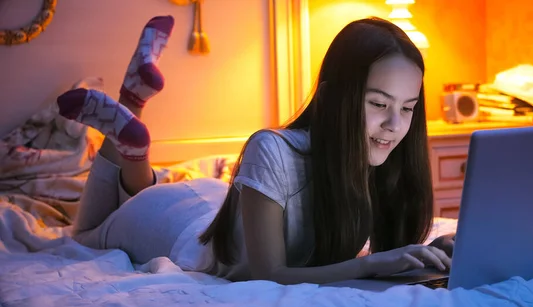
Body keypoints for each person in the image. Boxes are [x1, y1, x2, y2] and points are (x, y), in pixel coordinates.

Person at [57, 15, 454, 285]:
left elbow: (375, 254)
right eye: (379, 104)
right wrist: (369, 266)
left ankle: (131, 116)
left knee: (129, 199)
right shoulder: (274, 149)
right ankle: (132, 128)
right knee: (85, 236)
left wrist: (422, 254)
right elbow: (269, 276)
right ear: (338, 98)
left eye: (408, 108)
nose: (395, 126)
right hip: (172, 223)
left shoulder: (382, 159)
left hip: (212, 206)